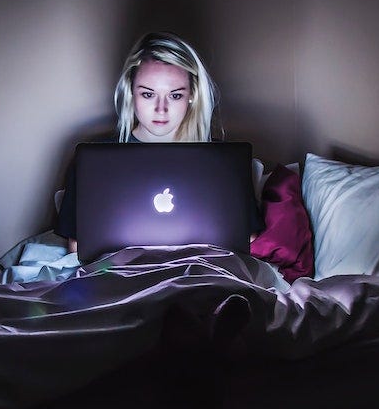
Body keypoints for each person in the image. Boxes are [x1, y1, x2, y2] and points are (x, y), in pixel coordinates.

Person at [55, 32, 265, 253]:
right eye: (148, 94)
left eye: (175, 96)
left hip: (200, 273)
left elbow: (247, 239)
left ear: (192, 95)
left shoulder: (223, 161)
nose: (161, 109)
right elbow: (77, 245)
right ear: (130, 92)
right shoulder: (94, 161)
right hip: (122, 275)